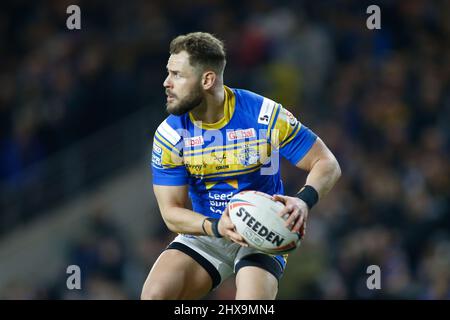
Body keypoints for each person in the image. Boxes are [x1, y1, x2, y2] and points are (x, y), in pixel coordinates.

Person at [141, 32, 341, 300]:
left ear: (207, 80)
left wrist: (304, 201)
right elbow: (170, 212)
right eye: (168, 73)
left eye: (177, 75)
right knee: (154, 296)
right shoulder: (170, 135)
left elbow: (326, 162)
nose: (166, 83)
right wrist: (216, 227)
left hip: (263, 227)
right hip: (209, 228)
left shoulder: (263, 115)